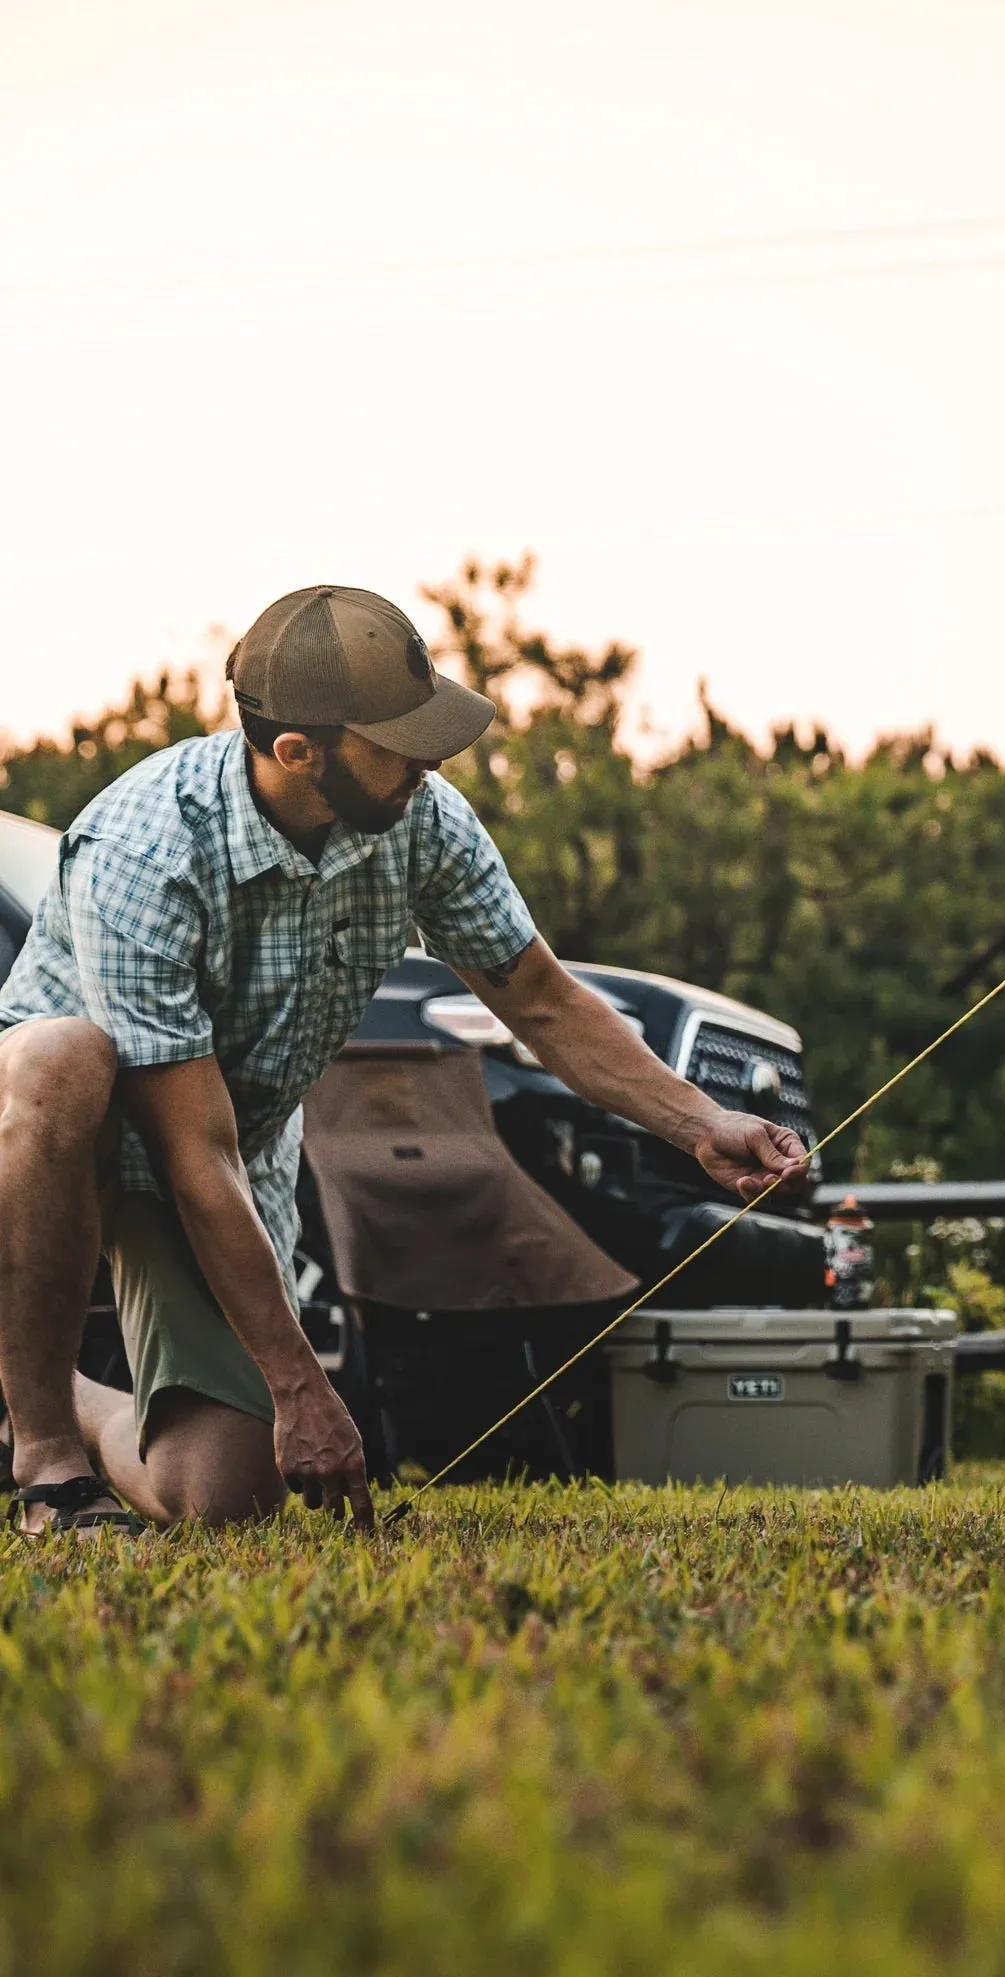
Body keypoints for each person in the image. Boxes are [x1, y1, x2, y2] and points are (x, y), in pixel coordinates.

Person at [0, 585, 807, 1534]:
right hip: (72, 1142)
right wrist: (301, 1385)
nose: (432, 758)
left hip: (230, 1144)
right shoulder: (144, 850)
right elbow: (190, 1154)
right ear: (298, 752)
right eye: (401, 740)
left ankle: (57, 1398)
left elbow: (541, 1001)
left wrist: (701, 1123)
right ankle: (47, 1456)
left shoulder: (421, 820)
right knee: (59, 1057)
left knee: (225, 1500)